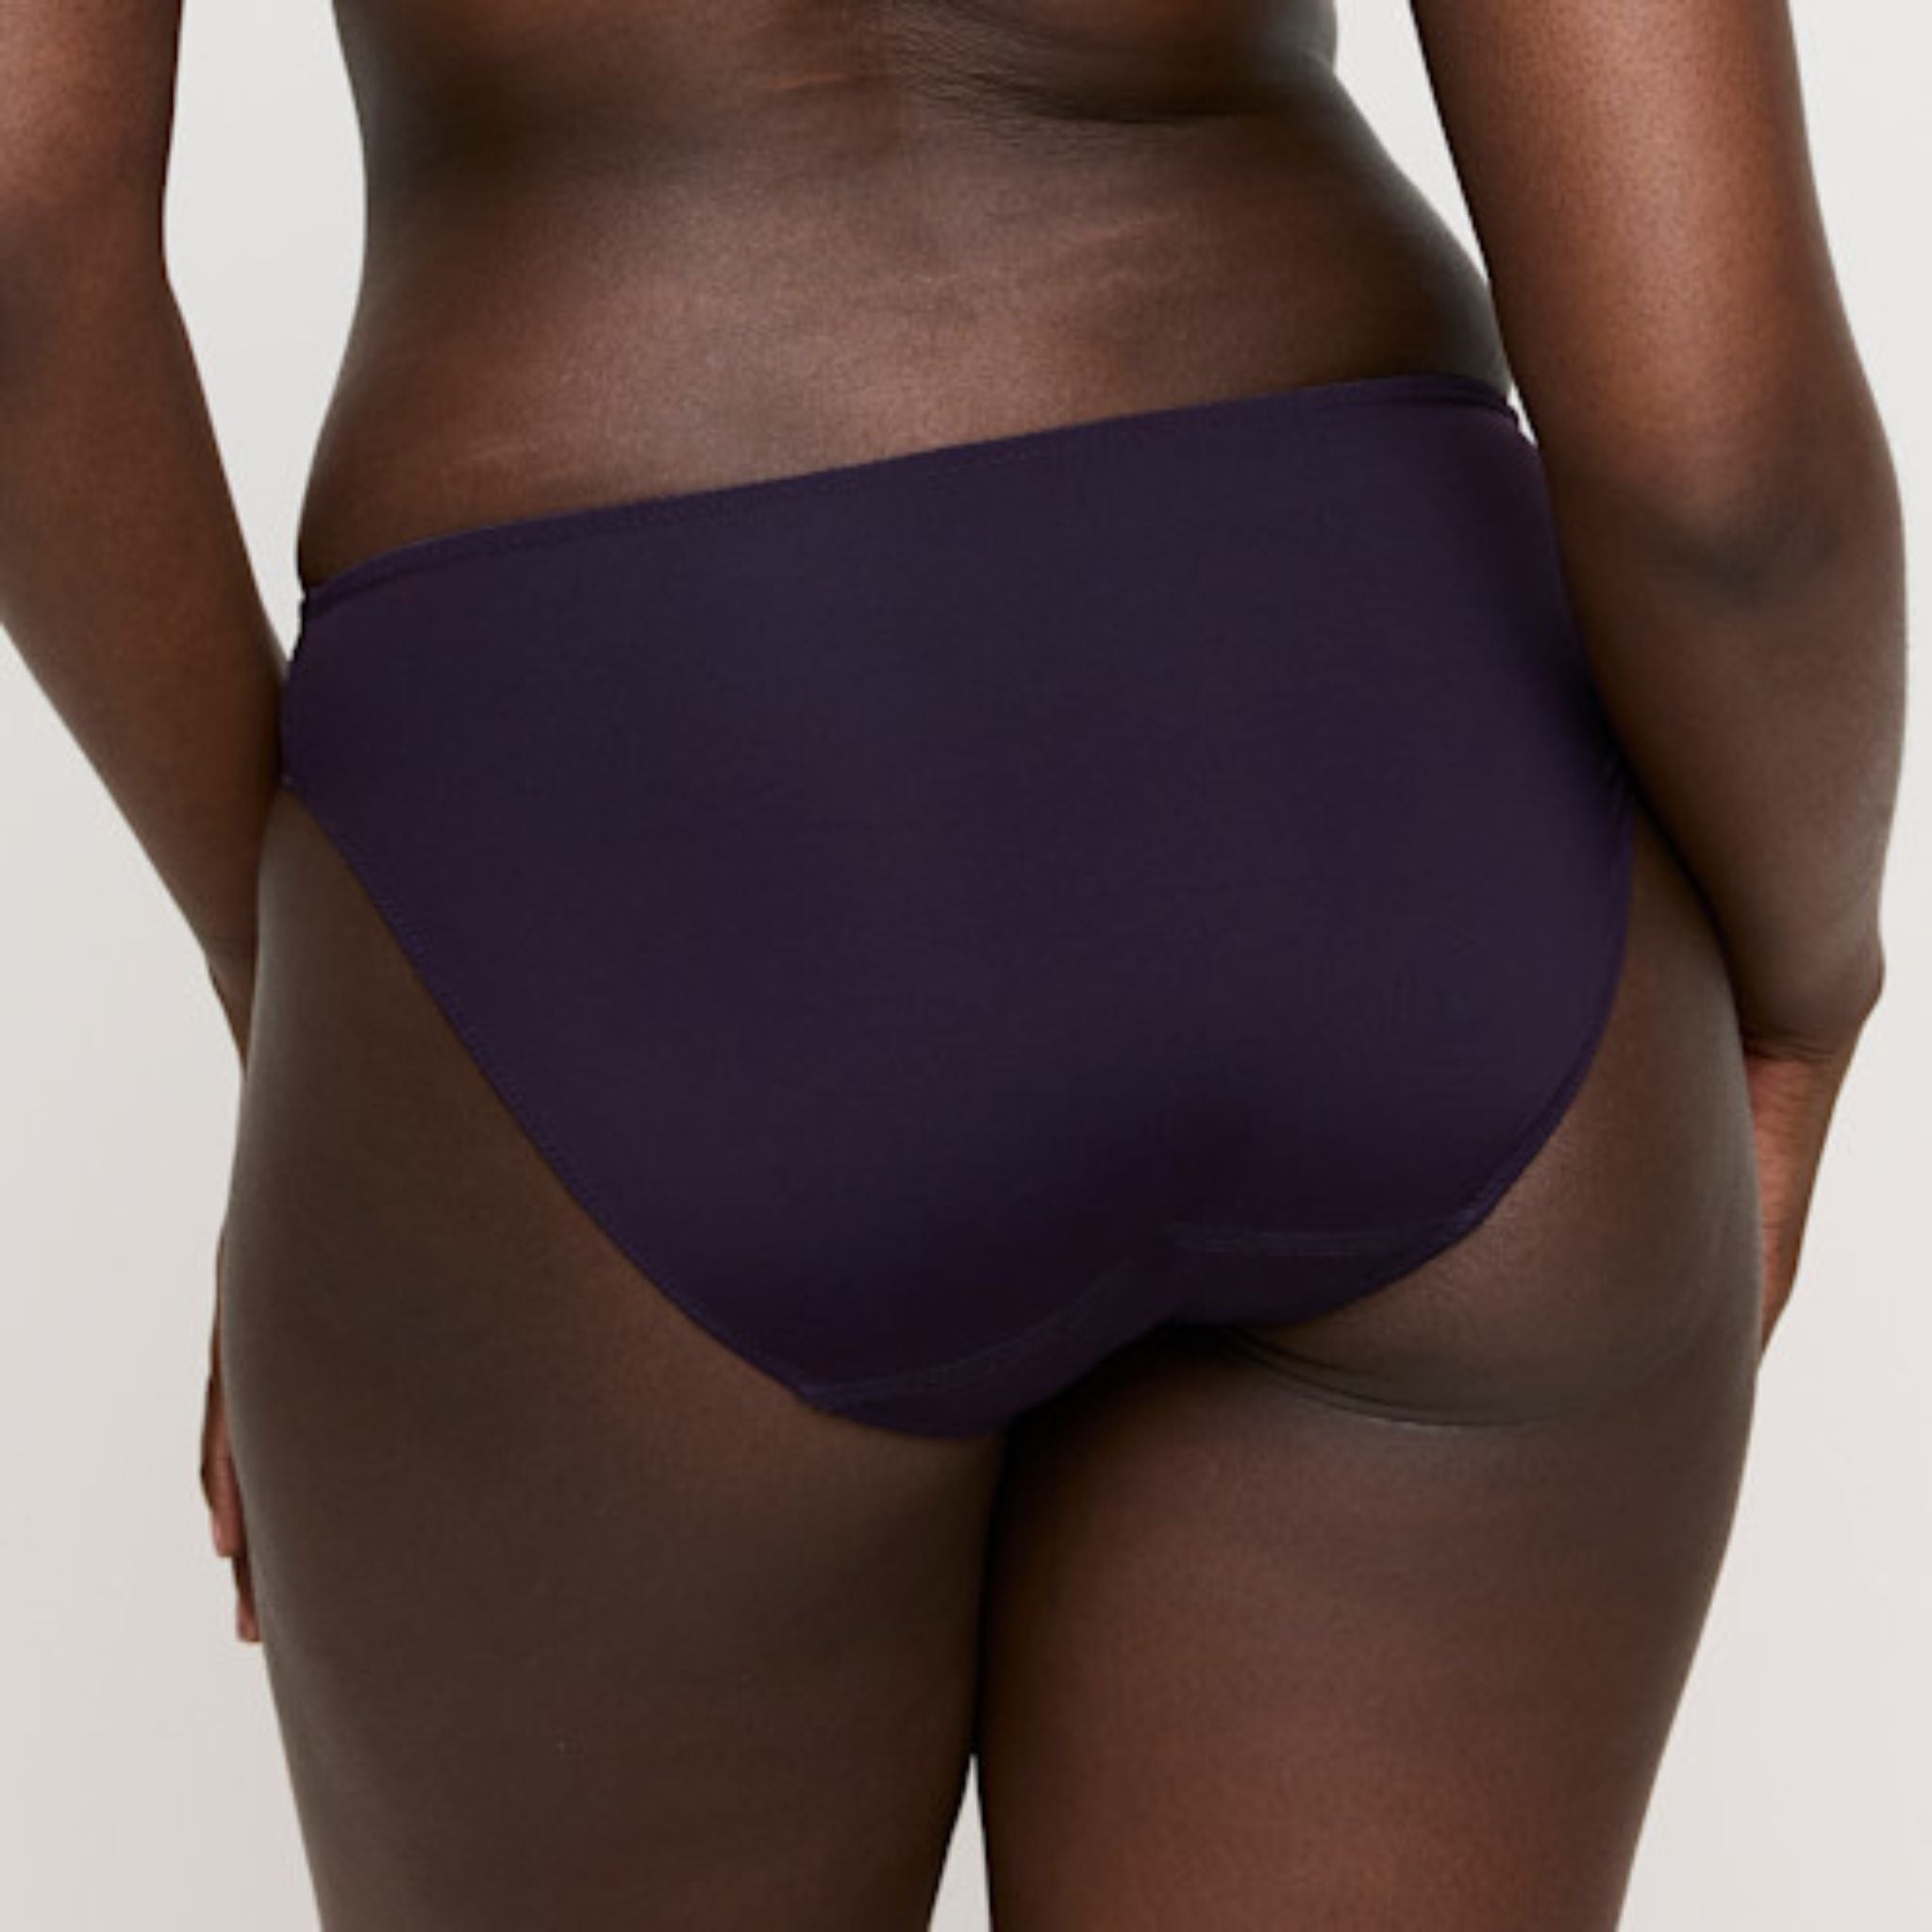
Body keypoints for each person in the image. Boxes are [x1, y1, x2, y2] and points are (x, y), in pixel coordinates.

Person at [0, 0, 1906, 1924]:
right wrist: (1804, 994)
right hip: (1399, 773)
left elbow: (17, 243)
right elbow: (1718, 461)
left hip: (623, 801)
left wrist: (317, 984)